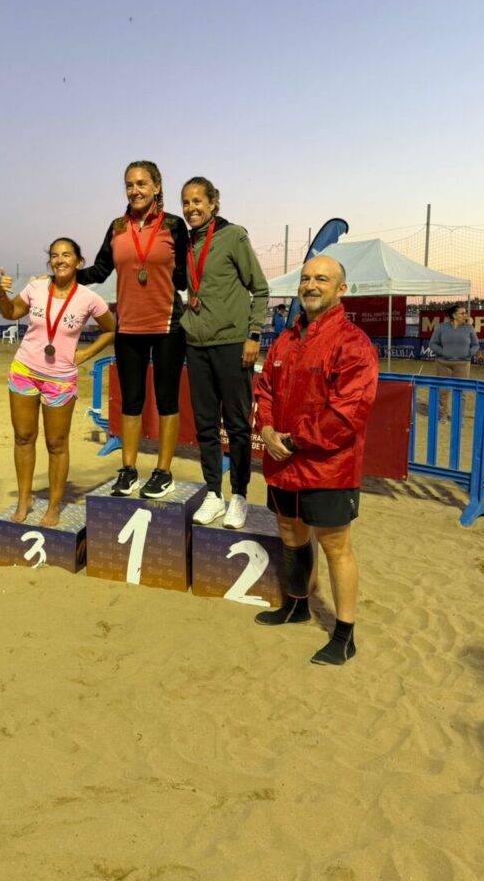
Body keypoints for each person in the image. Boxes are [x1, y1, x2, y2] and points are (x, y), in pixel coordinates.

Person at [253, 255, 378, 666]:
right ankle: (297, 604)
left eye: (321, 279)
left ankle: (344, 634)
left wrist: (294, 439)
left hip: (328, 467)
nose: (310, 285)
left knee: (335, 545)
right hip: (282, 463)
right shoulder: (285, 340)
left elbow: (348, 413)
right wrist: (266, 429)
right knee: (291, 533)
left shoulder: (353, 343)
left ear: (341, 289)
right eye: (306, 278)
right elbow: (264, 389)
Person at [77, 160, 188, 499]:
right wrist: (63, 277)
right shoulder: (116, 227)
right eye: (129, 184)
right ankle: (128, 470)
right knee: (131, 401)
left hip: (167, 325)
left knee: (166, 401)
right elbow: (99, 271)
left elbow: (186, 277)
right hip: (128, 327)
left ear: (156, 186)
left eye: (141, 183)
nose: (135, 190)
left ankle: (163, 471)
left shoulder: (174, 225)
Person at [0, 238, 116, 526]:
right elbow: (10, 313)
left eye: (66, 255)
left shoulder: (89, 298)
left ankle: (53, 506)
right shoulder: (36, 288)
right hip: (24, 372)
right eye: (54, 255)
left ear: (78, 261)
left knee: (56, 444)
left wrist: (85, 353)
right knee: (23, 438)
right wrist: (0, 293)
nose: (60, 260)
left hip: (60, 380)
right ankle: (24, 499)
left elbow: (111, 329)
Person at [180, 176, 269, 530]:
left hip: (233, 344)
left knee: (236, 425)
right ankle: (214, 493)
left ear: (213, 202)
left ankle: (240, 495)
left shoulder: (233, 236)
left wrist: (254, 335)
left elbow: (260, 289)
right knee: (204, 426)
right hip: (197, 345)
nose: (191, 208)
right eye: (186, 202)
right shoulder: (186, 243)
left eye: (197, 201)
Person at [428, 303, 479, 420]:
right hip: (443, 364)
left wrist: (469, 353)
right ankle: (442, 415)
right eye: (462, 313)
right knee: (443, 391)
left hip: (463, 365)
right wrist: (442, 352)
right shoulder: (441, 328)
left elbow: (476, 345)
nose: (465, 316)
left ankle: (458, 417)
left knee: (461, 392)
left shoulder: (469, 328)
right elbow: (432, 343)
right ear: (454, 315)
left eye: (465, 313)